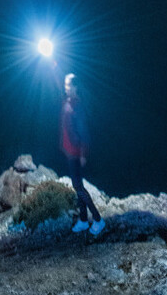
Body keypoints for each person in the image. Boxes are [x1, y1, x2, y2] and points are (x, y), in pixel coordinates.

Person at [56, 69, 105, 235]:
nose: (65, 87)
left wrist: (83, 154)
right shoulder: (67, 101)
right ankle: (83, 220)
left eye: (68, 85)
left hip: (76, 152)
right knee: (78, 187)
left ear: (75, 87)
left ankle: (98, 219)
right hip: (69, 151)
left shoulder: (78, 105)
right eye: (65, 84)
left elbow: (84, 132)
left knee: (78, 186)